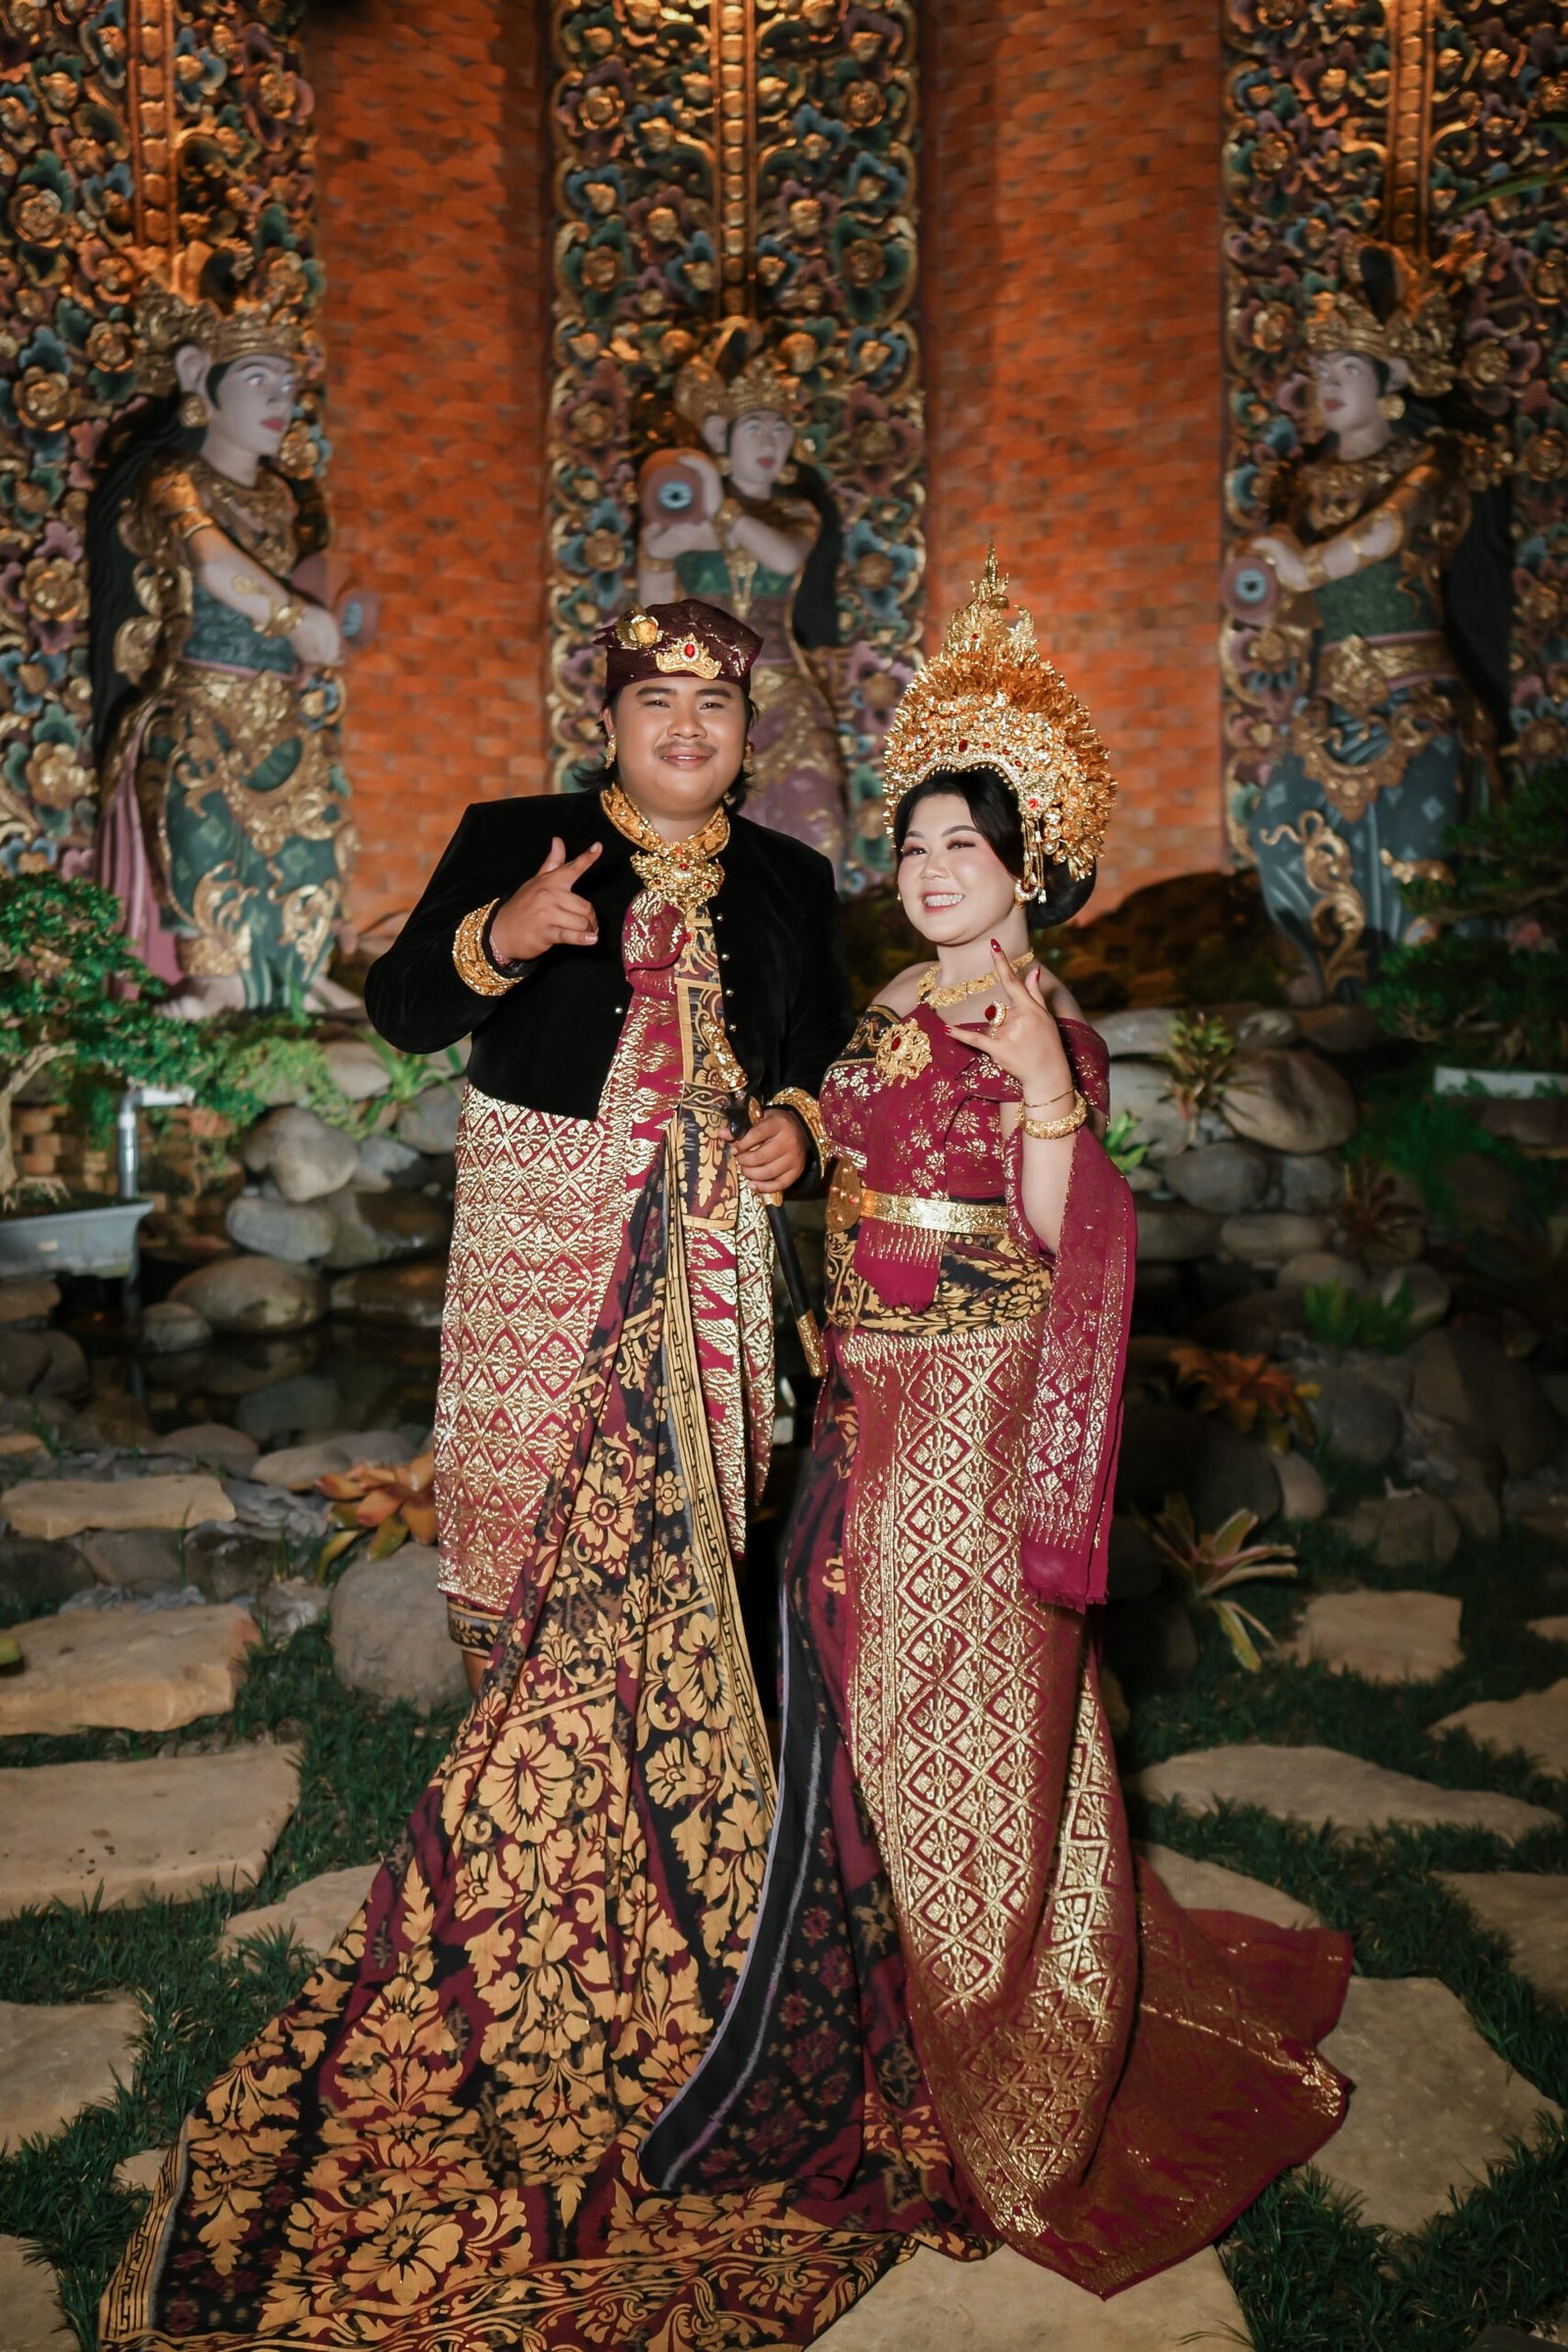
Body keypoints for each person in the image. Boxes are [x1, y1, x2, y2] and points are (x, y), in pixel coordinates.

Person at [99, 600, 904, 2348]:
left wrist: (800, 1125)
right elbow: (402, 1011)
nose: (684, 725)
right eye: (654, 698)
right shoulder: (516, 836)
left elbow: (831, 1056)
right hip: (549, 1246)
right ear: (606, 716)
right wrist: (504, 933)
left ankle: (686, 1875)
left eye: (713, 701)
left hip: (711, 1264)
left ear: (746, 727)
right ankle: (534, 1870)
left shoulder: (785, 879)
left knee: (695, 1557)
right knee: (540, 1548)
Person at [643, 556, 1354, 2298]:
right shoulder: (897, 1003)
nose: (928, 869)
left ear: (1028, 866)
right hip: (866, 1390)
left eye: (961, 845)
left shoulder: (1049, 1021)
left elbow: (1064, 1228)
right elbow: (858, 1137)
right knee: (844, 1677)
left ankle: (999, 2054)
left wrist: (1041, 1086)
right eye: (912, 846)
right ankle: (863, 2011)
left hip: (968, 1405)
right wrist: (800, 1148)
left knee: (956, 1702)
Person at [87, 277, 358, 1014]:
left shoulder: (280, 499)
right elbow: (210, 563)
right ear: (195, 378)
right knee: (197, 813)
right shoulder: (174, 480)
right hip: (200, 699)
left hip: (277, 706)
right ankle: (212, 980)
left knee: (317, 828)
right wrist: (292, 618)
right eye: (258, 380)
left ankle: (296, 973)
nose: (281, 400)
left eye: (289, 385)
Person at [1245, 241, 1504, 1000]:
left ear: (1391, 380)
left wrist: (1304, 565)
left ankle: (1424, 1000)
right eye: (1322, 370)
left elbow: (1388, 531)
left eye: (1348, 369)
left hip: (1416, 699)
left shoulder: (1428, 464)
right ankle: (1331, 984)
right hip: (1329, 703)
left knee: (1421, 848)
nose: (1328, 384)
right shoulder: (1303, 483)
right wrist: (1271, 579)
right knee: (1276, 827)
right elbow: (1288, 600)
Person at [639, 341, 848, 866]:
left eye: (780, 428)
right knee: (709, 840)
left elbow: (783, 556)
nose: (770, 441)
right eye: (754, 427)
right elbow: (653, 617)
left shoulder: (795, 512)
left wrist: (718, 506)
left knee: (817, 823)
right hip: (707, 700)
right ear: (720, 436)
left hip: (787, 696)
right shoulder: (684, 517)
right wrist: (656, 555)